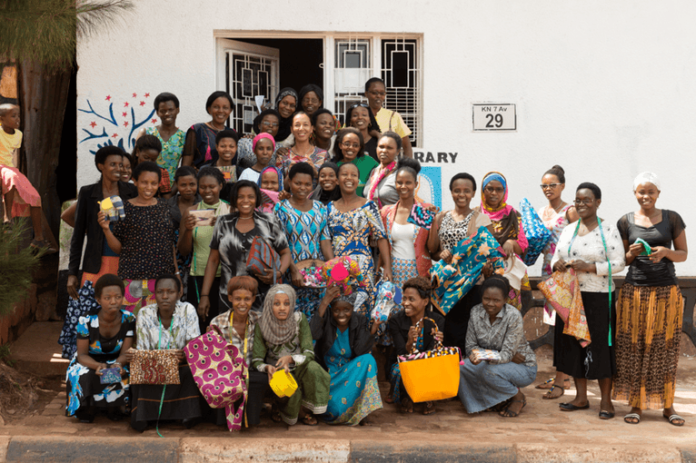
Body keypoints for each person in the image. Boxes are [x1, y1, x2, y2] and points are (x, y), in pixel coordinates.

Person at [613, 172, 688, 426]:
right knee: (635, 347)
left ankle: (668, 406)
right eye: (641, 192)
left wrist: (666, 252)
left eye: (650, 192)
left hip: (667, 292)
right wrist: (631, 253)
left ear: (658, 193)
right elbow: (621, 262)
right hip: (634, 292)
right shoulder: (625, 221)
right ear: (635, 193)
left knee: (664, 348)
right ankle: (636, 404)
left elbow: (683, 254)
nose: (646, 196)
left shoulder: (672, 218)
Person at [551, 182, 626, 420]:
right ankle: (581, 397)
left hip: (599, 297)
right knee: (574, 345)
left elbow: (619, 264)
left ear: (598, 202)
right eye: (578, 200)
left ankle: (605, 401)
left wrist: (591, 267)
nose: (581, 204)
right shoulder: (568, 230)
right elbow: (556, 258)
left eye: (587, 200)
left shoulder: (608, 230)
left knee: (601, 347)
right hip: (571, 296)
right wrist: (558, 265)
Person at [199, 180, 291, 315]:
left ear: (257, 199)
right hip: (229, 296)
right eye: (240, 196)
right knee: (230, 333)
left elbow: (285, 252)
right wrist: (204, 295)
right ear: (234, 199)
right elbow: (213, 261)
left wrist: (279, 273)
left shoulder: (269, 221)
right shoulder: (223, 222)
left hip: (262, 296)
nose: (245, 200)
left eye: (251, 197)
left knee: (261, 334)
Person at [98, 161, 178, 314]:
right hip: (132, 279)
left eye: (153, 183)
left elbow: (170, 244)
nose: (149, 187)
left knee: (157, 328)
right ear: (134, 181)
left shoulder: (165, 207)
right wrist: (106, 229)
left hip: (162, 281)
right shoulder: (124, 208)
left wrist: (176, 274)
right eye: (144, 182)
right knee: (131, 326)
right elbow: (119, 248)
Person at [129, 275, 203, 432]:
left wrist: (182, 355)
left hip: (181, 363)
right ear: (154, 294)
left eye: (170, 291)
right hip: (154, 364)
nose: (164, 296)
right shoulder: (144, 313)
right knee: (139, 367)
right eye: (160, 292)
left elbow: (194, 345)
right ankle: (145, 416)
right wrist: (163, 359)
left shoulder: (188, 310)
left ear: (178, 293)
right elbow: (143, 349)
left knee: (191, 370)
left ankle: (186, 414)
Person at [428, 173, 493, 351]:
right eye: (457, 190)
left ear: (473, 193)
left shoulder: (482, 220)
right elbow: (433, 252)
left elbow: (488, 253)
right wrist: (443, 254)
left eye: (466, 191)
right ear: (451, 192)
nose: (461, 194)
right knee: (446, 331)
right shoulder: (441, 217)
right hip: (445, 285)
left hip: (470, 285)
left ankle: (467, 373)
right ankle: (451, 373)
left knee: (468, 332)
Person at [251, 285, 331, 425]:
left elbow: (309, 352)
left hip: (299, 364)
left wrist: (291, 359)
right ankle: (283, 408)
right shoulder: (262, 324)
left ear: (292, 304)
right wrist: (267, 368)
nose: (282, 308)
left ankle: (305, 408)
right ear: (269, 304)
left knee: (314, 369)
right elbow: (257, 360)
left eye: (286, 303)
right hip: (277, 369)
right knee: (284, 381)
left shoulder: (299, 319)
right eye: (277, 303)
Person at [457, 276, 537, 417]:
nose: (490, 304)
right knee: (462, 367)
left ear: (505, 300)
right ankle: (487, 401)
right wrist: (475, 355)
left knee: (489, 371)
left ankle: (517, 397)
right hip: (496, 362)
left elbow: (506, 354)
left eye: (496, 300)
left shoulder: (513, 316)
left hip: (523, 366)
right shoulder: (476, 312)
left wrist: (482, 356)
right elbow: (470, 346)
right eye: (486, 299)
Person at [67, 146, 138, 299]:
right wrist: (72, 273)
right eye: (113, 164)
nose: (118, 168)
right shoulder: (87, 193)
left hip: (126, 264)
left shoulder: (132, 192)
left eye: (120, 164)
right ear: (101, 166)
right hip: (95, 265)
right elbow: (78, 236)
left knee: (124, 314)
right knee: (93, 314)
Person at [378, 158, 433, 348]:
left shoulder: (425, 210)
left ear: (416, 184)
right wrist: (386, 267)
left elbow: (432, 246)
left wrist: (433, 219)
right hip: (394, 272)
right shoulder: (386, 212)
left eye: (408, 182)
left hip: (417, 273)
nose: (403, 186)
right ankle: (391, 359)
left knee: (415, 313)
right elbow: (383, 240)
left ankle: (415, 357)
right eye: (399, 182)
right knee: (392, 312)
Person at [65, 274, 135, 422]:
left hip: (117, 360)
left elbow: (126, 353)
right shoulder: (86, 320)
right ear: (98, 300)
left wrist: (117, 365)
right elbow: (82, 355)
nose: (113, 301)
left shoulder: (129, 319)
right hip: (89, 361)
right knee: (85, 375)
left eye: (117, 297)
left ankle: (113, 407)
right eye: (107, 298)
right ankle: (87, 407)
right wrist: (98, 366)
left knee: (122, 373)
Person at [535, 165, 578, 399]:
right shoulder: (542, 212)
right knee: (555, 325)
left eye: (553, 185)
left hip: (565, 275)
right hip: (547, 272)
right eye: (544, 185)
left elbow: (581, 241)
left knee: (564, 328)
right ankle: (563, 376)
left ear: (562, 186)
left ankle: (562, 379)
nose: (548, 189)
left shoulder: (570, 211)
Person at [310, 286, 383, 425]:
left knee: (368, 359)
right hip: (328, 376)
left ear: (352, 309)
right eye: (336, 310)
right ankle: (352, 410)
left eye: (346, 310)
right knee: (334, 410)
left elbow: (361, 351)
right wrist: (324, 303)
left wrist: (373, 330)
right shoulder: (325, 317)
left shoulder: (360, 320)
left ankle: (362, 409)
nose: (341, 314)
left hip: (350, 374)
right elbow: (313, 334)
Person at [328, 162, 392, 318]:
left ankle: (362, 342)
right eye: (344, 174)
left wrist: (387, 268)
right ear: (337, 180)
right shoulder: (330, 207)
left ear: (358, 181)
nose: (349, 178)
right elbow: (325, 240)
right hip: (337, 269)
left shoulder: (369, 206)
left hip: (362, 269)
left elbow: (381, 237)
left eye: (354, 175)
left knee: (362, 310)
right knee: (339, 310)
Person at [274, 163, 334, 321]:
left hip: (317, 274)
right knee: (293, 319)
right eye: (297, 183)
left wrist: (333, 266)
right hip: (292, 275)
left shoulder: (320, 207)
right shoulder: (281, 208)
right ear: (290, 183)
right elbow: (281, 244)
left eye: (307, 184)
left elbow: (325, 239)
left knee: (317, 319)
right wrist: (293, 270)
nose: (303, 188)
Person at [209, 276, 269, 429]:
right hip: (225, 374)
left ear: (253, 298)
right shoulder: (217, 323)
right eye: (237, 299)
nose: (242, 304)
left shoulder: (260, 320)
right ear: (230, 298)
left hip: (250, 372)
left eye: (247, 299)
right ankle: (223, 419)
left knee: (260, 379)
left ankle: (252, 418)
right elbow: (212, 356)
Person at [178, 167, 231, 330]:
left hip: (225, 276)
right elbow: (183, 251)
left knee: (223, 326)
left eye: (212, 186)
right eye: (203, 187)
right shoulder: (191, 211)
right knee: (202, 324)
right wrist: (187, 229)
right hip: (198, 275)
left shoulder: (231, 211)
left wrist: (224, 226)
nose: (207, 191)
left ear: (221, 186)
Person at [0, 103, 54, 251]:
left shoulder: (18, 134)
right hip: (1, 167)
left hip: (10, 168)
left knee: (35, 197)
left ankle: (38, 239)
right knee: (11, 177)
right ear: (1, 119)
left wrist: (18, 173)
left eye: (18, 115)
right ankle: (7, 218)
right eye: (13, 116)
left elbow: (14, 155)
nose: (18, 119)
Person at [388, 276, 444, 415]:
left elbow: (434, 354)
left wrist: (438, 342)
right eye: (404, 298)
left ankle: (428, 396)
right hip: (406, 363)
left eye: (411, 299)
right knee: (398, 369)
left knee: (435, 365)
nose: (405, 303)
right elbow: (401, 355)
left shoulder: (436, 321)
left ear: (425, 301)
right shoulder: (396, 321)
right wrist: (409, 342)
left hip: (427, 364)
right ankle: (406, 396)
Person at [477, 171, 530, 309]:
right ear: (483, 190)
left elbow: (523, 246)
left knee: (508, 316)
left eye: (499, 189)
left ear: (504, 191)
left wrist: (511, 243)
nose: (494, 193)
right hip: (482, 273)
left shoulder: (512, 214)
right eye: (490, 188)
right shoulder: (476, 214)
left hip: (509, 275)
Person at [136, 92, 185, 185]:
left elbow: (184, 170)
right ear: (157, 112)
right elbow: (135, 161)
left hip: (171, 189)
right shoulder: (146, 133)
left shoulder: (184, 137)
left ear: (177, 110)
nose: (167, 113)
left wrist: (172, 193)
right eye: (163, 110)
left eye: (171, 110)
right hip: (146, 186)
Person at [182, 91, 234, 168]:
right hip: (201, 178)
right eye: (216, 107)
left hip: (227, 178)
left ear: (230, 111)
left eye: (225, 107)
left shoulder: (232, 133)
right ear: (209, 109)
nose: (220, 111)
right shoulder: (197, 130)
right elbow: (185, 165)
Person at [364, 77, 413, 158]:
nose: (378, 96)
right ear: (366, 94)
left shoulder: (393, 116)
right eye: (374, 93)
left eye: (382, 93)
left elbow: (406, 146)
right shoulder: (359, 115)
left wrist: (408, 167)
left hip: (387, 167)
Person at [276, 112, 327, 178]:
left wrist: (314, 171)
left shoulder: (323, 155)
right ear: (291, 129)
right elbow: (279, 186)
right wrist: (290, 173)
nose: (301, 128)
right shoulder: (283, 156)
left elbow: (327, 185)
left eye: (305, 125)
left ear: (311, 128)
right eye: (297, 125)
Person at [331, 127, 378, 197]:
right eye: (347, 144)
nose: (351, 147)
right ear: (340, 145)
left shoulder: (369, 162)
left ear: (359, 147)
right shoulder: (334, 166)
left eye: (355, 145)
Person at [363, 132, 402, 208]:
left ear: (397, 151)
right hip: (371, 219)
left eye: (389, 148)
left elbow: (408, 205)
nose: (384, 151)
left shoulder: (401, 174)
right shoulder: (374, 172)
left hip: (392, 219)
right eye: (381, 147)